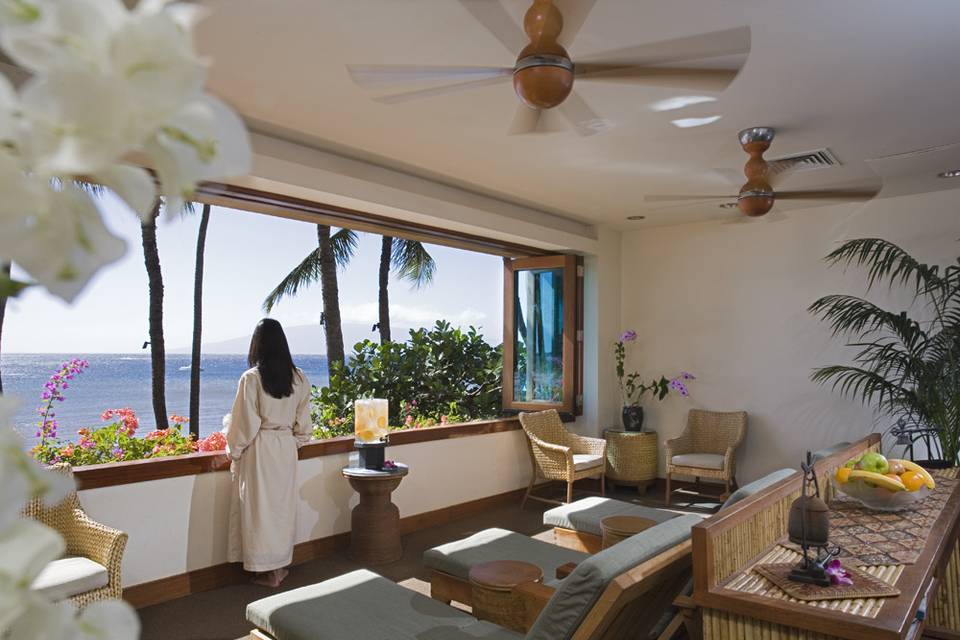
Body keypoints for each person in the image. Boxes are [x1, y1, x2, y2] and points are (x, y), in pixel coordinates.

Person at [225, 318, 312, 587]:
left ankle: (267, 571)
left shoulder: (251, 378)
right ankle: (279, 568)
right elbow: (305, 425)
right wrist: (292, 442)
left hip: (260, 449)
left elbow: (244, 423)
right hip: (285, 448)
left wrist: (234, 451)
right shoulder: (299, 378)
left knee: (259, 510)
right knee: (281, 509)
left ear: (256, 345)